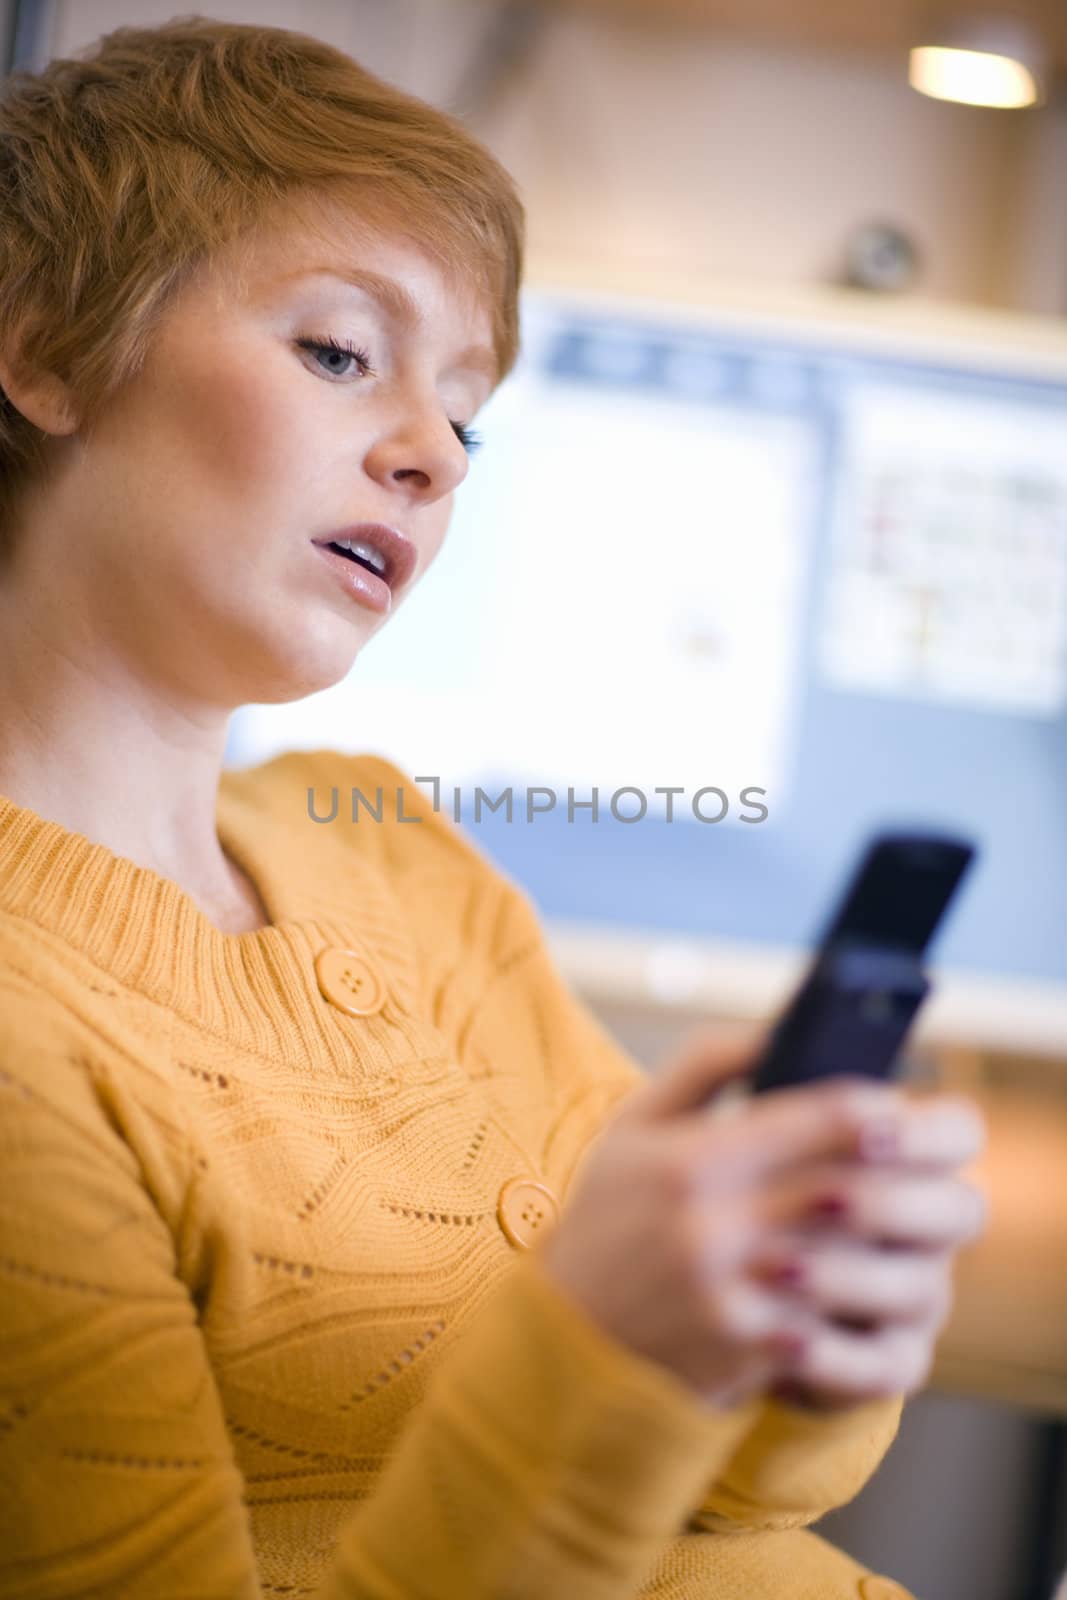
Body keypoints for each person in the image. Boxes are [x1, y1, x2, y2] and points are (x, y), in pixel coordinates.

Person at [0, 17, 987, 1599]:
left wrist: (803, 1331)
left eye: (462, 417)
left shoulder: (385, 850)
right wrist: (608, 1347)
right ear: (44, 346)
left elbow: (749, 1493)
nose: (427, 460)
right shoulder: (23, 1043)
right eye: (339, 353)